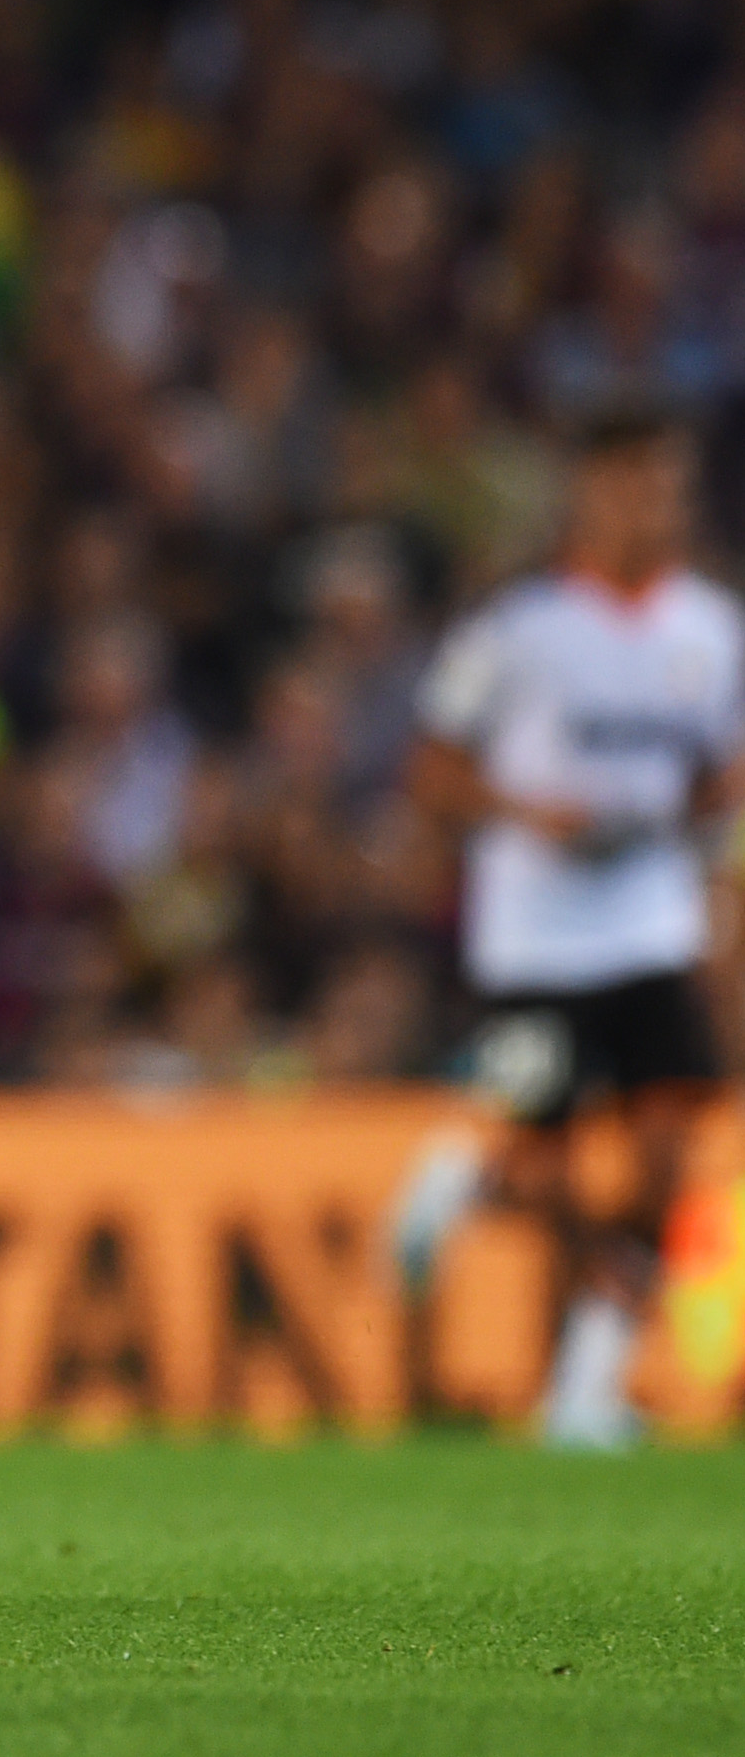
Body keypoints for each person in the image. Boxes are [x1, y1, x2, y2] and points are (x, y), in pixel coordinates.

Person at [391, 408, 744, 1448]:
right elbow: (430, 767)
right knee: (546, 1171)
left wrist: (701, 816)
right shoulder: (516, 630)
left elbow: (716, 773)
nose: (656, 505)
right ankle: (467, 1174)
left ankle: (584, 1393)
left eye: (670, 485)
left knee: (669, 1157)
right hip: (536, 938)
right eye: (635, 483)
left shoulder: (712, 633)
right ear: (588, 493)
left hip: (646, 926)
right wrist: (525, 812)